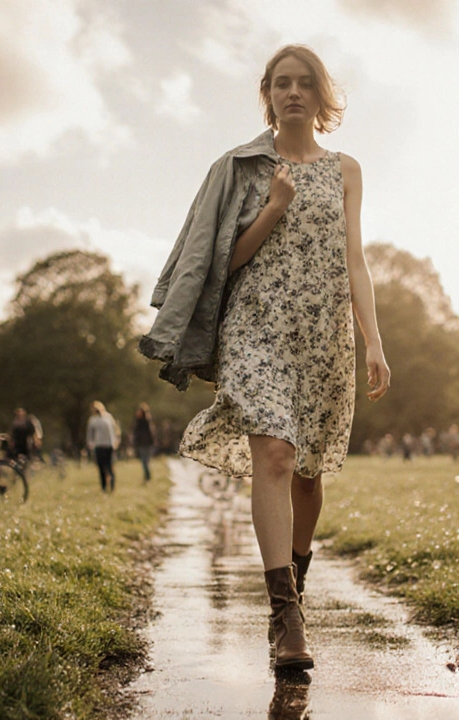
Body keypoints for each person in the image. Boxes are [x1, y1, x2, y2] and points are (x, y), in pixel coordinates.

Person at [141, 45, 389, 672]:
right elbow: (217, 265)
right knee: (275, 454)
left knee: (308, 474)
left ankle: (294, 584)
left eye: (305, 83)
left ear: (321, 94)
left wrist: (374, 341)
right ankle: (286, 617)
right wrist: (274, 206)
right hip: (257, 329)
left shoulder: (346, 170)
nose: (293, 92)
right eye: (282, 83)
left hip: (323, 335)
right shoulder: (244, 168)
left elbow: (355, 260)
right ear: (268, 95)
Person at [86, 401, 118, 493]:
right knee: (101, 467)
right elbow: (90, 433)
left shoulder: (108, 417)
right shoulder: (92, 420)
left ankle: (112, 485)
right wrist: (90, 443)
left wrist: (115, 442)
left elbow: (114, 430)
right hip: (98, 445)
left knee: (109, 466)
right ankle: (103, 487)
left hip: (108, 445)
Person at [131, 404, 156, 482]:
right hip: (141, 443)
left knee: (145, 461)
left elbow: (150, 433)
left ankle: (147, 477)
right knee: (144, 461)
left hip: (146, 443)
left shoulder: (145, 422)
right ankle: (147, 476)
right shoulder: (138, 421)